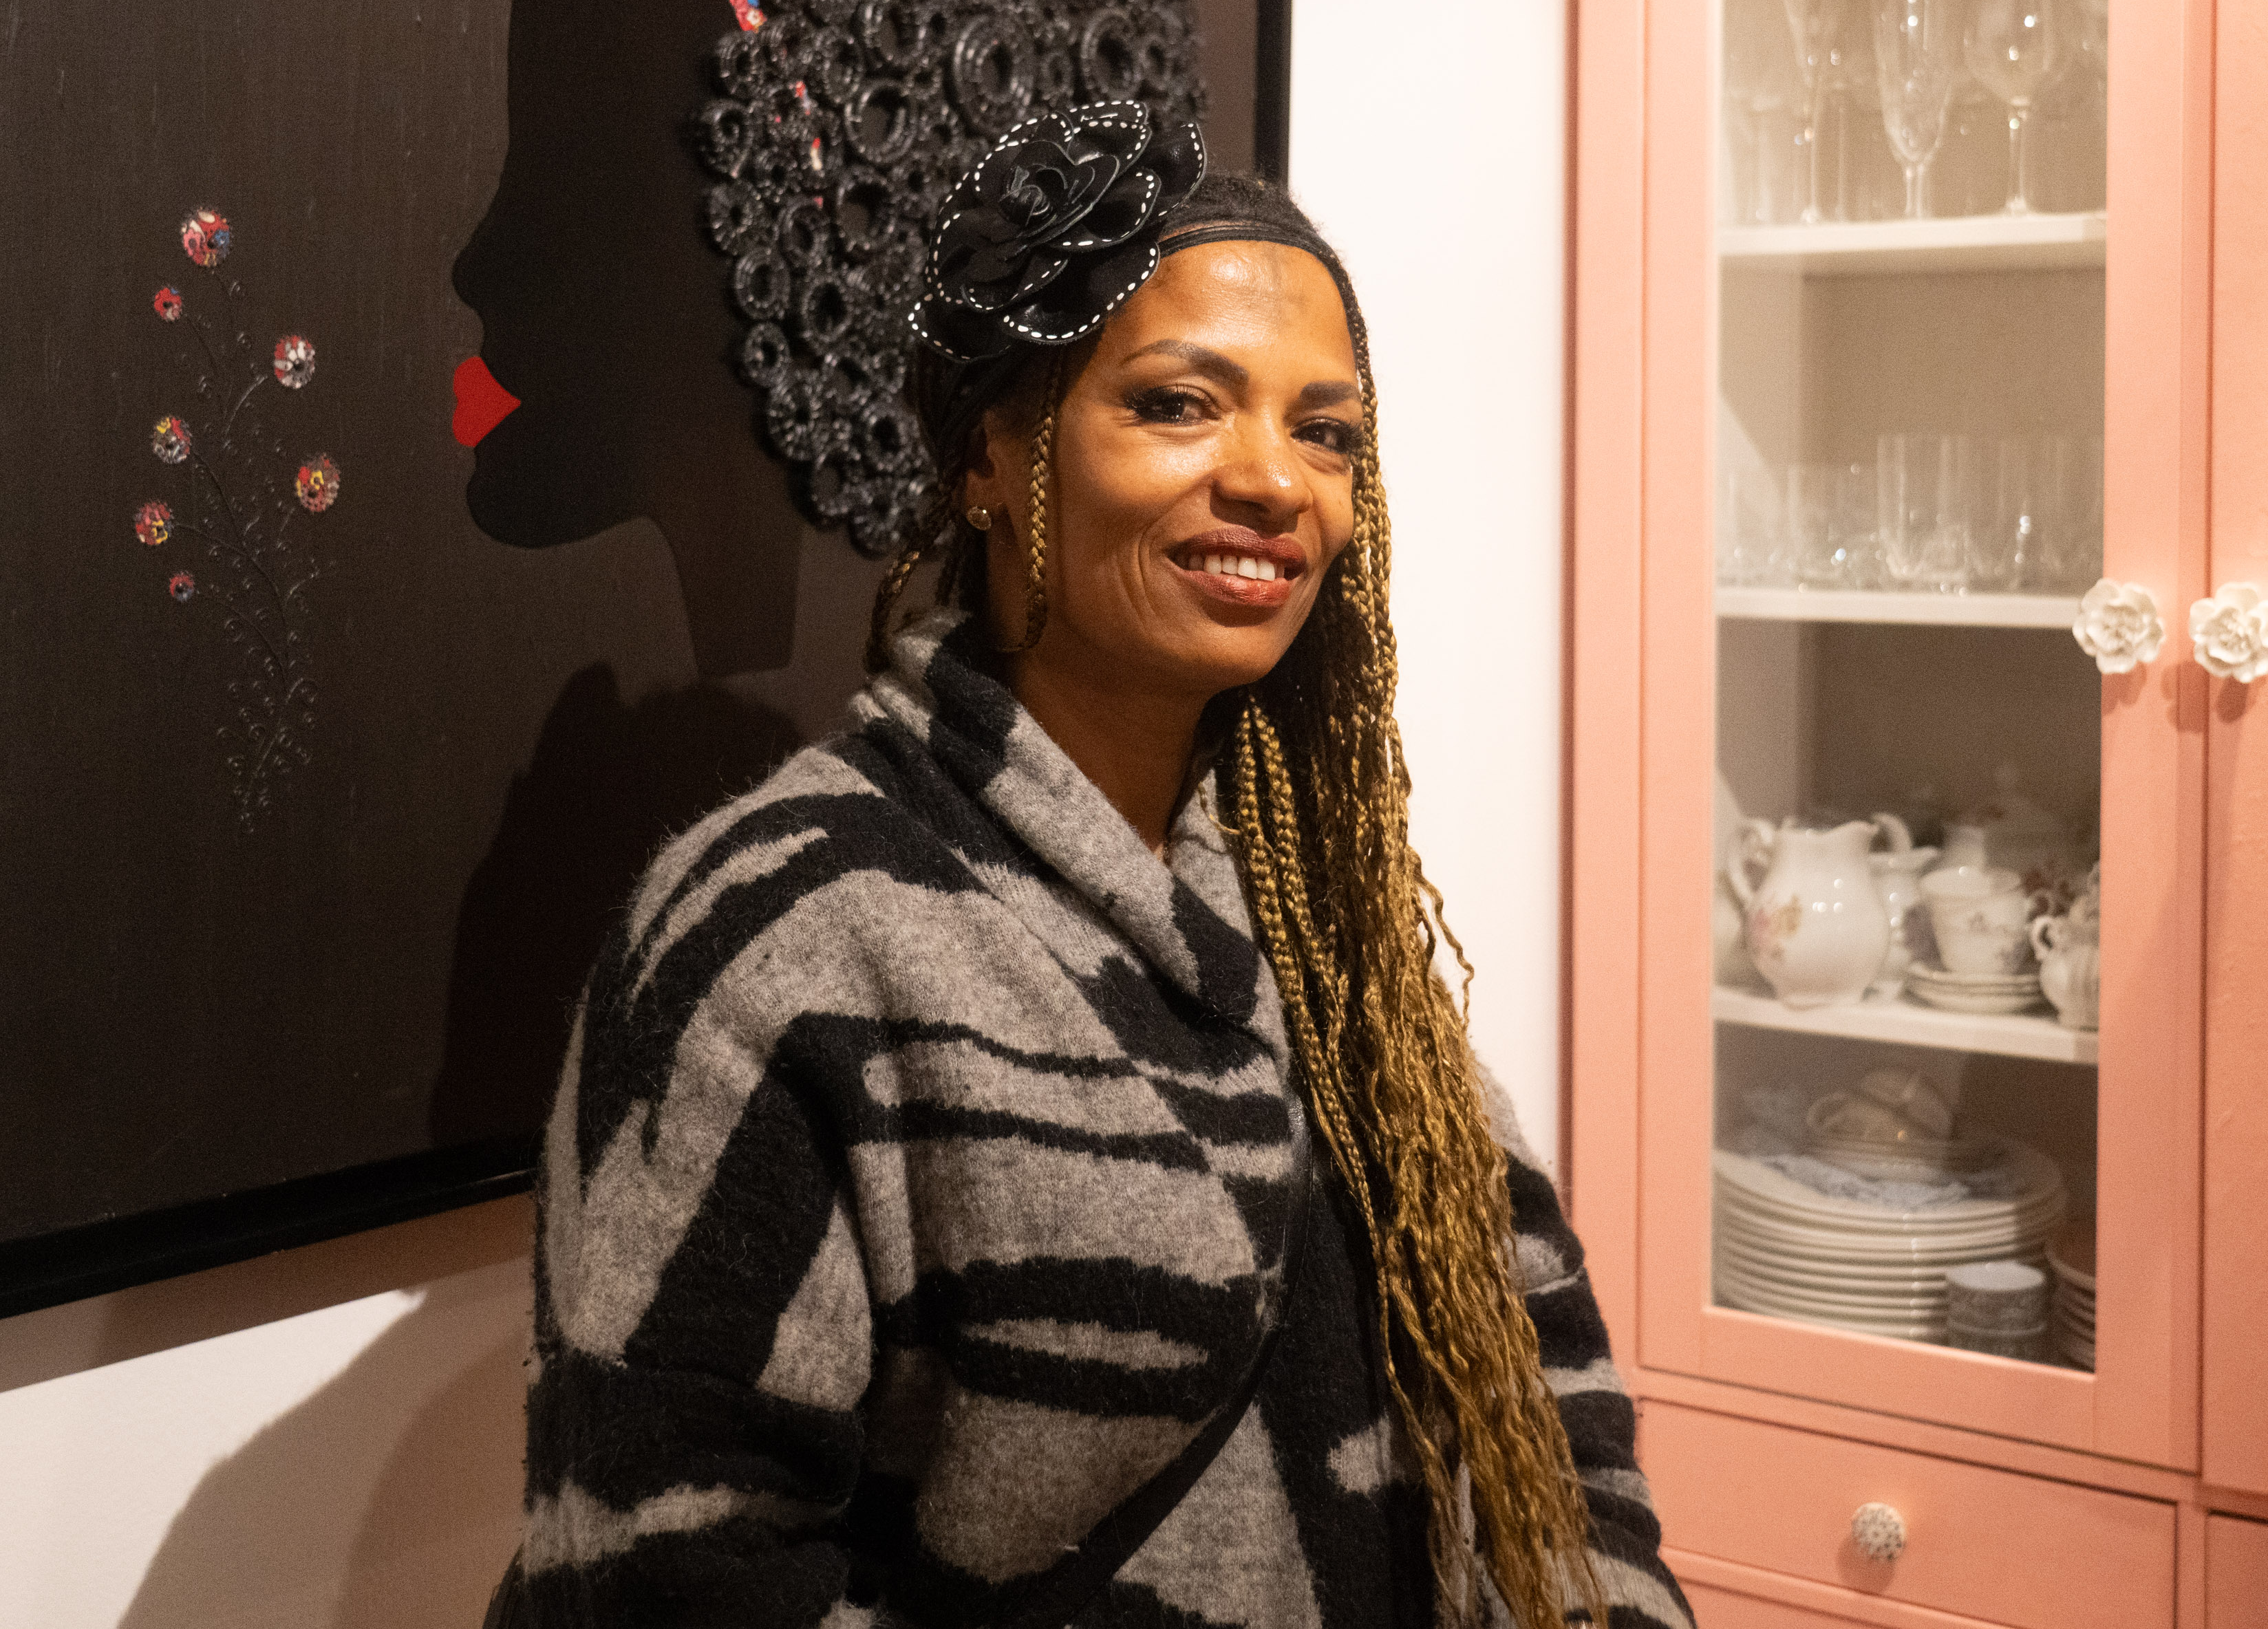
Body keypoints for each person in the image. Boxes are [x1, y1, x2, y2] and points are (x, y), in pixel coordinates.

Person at [488, 103, 1691, 1629]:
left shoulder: (1318, 910)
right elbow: (671, 1569)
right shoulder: (788, 930)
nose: (1276, 481)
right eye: (1180, 404)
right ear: (991, 454)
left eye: (1324, 431)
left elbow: (1543, 1388)